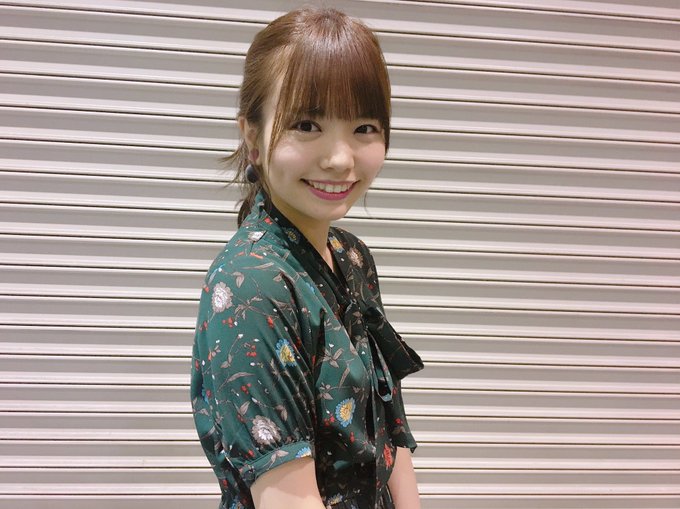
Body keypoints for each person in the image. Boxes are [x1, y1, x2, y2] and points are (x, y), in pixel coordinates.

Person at [190, 7, 424, 509]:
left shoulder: (352, 257)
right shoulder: (252, 287)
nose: (340, 158)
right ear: (252, 137)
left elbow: (390, 427)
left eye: (364, 127)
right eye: (307, 124)